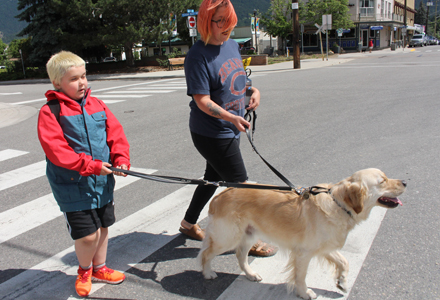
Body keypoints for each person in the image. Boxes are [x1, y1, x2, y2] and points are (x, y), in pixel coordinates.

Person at [180, 0, 277, 257]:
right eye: (220, 20)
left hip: (231, 127)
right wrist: (230, 118)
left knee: (212, 178)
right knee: (242, 187)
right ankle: (249, 239)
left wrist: (253, 91)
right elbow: (202, 100)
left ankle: (188, 224)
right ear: (205, 22)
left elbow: (236, 81)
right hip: (211, 132)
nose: (227, 26)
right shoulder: (197, 55)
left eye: (229, 19)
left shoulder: (232, 45)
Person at [37, 51, 130, 297]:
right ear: (57, 83)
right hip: (72, 185)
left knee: (103, 227)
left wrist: (121, 159)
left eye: (84, 76)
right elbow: (57, 151)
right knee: (88, 236)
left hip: (102, 181)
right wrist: (90, 166)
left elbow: (115, 134)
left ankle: (100, 268)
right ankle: (85, 270)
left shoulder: (97, 104)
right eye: (74, 79)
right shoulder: (51, 112)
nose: (82, 83)